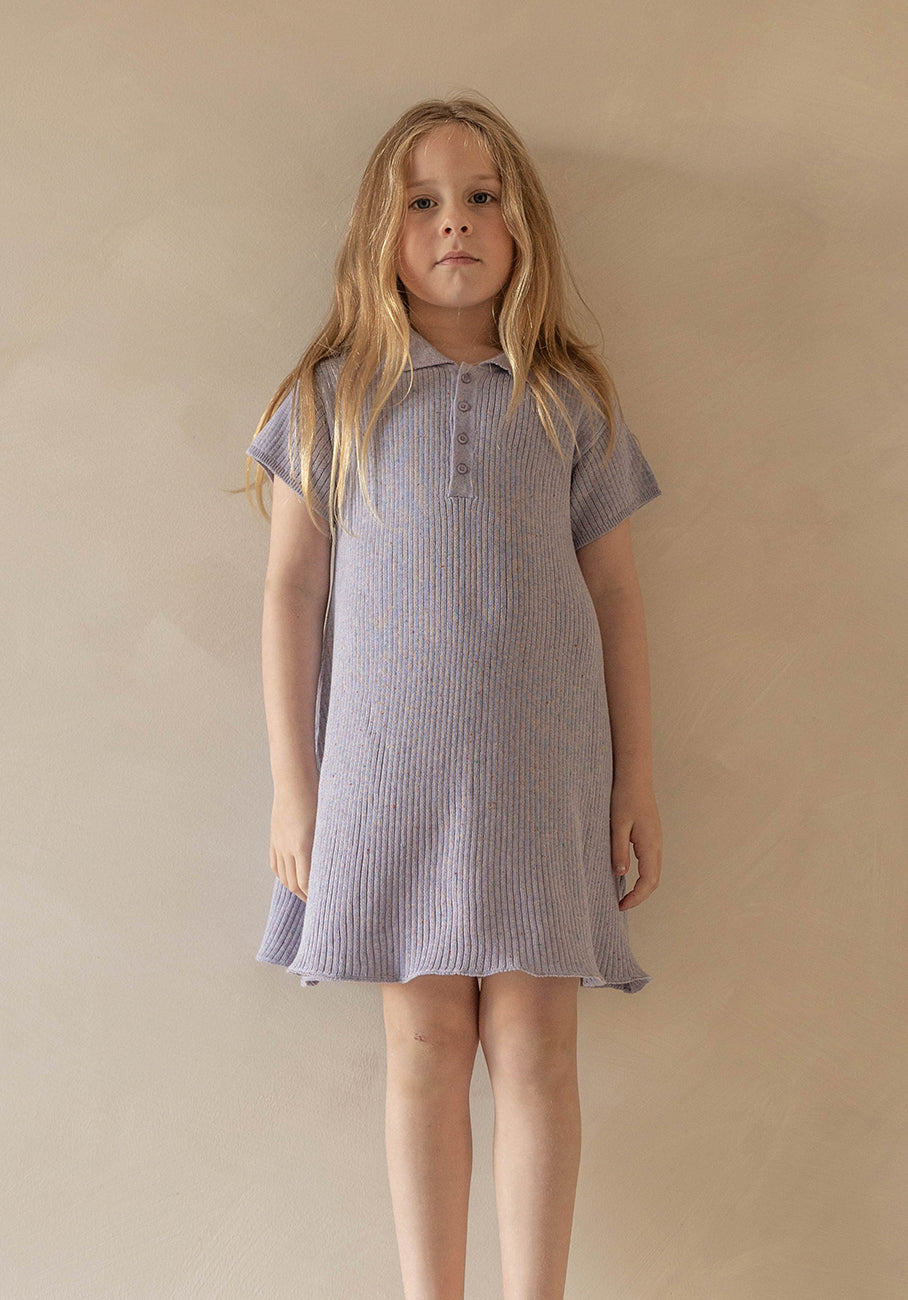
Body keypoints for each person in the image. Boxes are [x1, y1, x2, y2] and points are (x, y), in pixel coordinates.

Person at [242, 94, 663, 1300]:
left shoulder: (568, 398)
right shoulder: (330, 397)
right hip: (389, 772)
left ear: (520, 224)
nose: (453, 223)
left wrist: (634, 778)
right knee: (424, 1044)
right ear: (380, 233)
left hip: (541, 769)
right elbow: (289, 593)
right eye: (421, 202)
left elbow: (616, 593)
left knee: (535, 1046)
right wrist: (292, 788)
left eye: (481, 197)